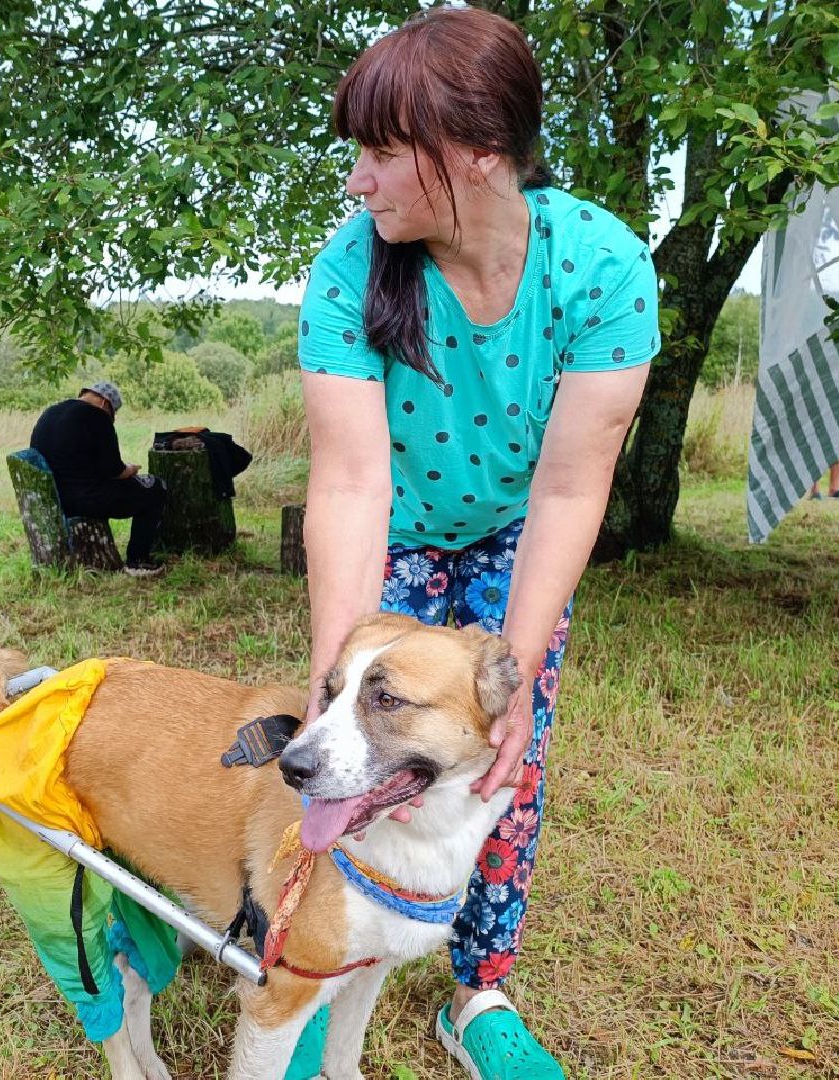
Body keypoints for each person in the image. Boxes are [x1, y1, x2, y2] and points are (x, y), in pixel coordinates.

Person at [296, 7, 657, 1078]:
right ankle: (322, 962)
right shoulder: (348, 272)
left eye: (380, 152)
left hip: (513, 525)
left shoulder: (601, 267)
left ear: (480, 151)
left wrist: (519, 669)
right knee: (357, 748)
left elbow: (569, 485)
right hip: (396, 527)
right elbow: (352, 482)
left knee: (505, 757)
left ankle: (477, 991)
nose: (357, 182)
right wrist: (333, 679)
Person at [30, 380, 167, 577]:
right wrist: (130, 469)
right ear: (105, 403)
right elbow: (114, 470)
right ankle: (138, 561)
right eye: (112, 414)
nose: (111, 419)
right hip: (85, 500)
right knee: (155, 488)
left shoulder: (49, 413)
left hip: (55, 499)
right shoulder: (97, 416)